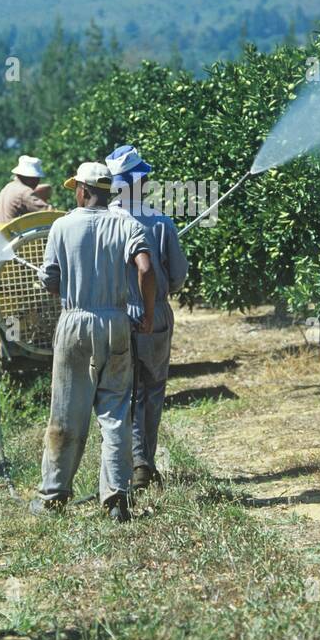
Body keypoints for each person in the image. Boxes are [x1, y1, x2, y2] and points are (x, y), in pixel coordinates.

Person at [32, 161, 156, 523]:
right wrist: (146, 315)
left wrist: (69, 283)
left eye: (75, 187)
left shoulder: (62, 225)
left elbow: (51, 281)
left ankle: (54, 495)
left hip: (74, 321)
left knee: (67, 412)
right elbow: (145, 270)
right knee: (116, 412)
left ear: (83, 190)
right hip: (116, 321)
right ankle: (117, 497)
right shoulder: (127, 223)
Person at [106, 144, 188, 491]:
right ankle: (142, 462)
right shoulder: (159, 221)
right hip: (151, 316)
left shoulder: (103, 221)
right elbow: (178, 274)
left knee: (117, 393)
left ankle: (119, 468)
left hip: (110, 317)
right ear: (141, 182)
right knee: (151, 390)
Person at [0, 154, 52, 222]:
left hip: (4, 231)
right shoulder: (24, 191)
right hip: (16, 231)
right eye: (36, 178)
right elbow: (48, 213)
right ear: (30, 178)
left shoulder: (6, 189)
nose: (37, 181)